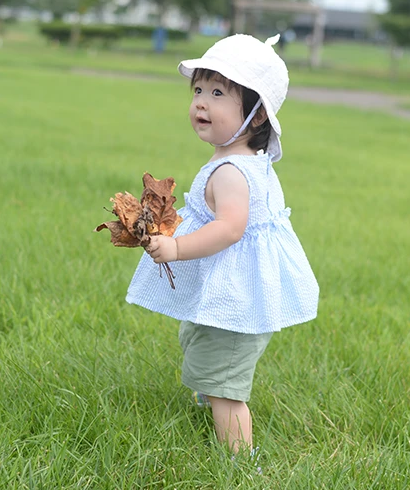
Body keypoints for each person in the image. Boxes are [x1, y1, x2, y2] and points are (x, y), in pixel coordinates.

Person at [126, 34, 319, 455]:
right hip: (235, 291)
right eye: (198, 90)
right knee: (197, 340)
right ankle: (208, 398)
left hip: (237, 303)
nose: (201, 102)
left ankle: (239, 463)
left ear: (256, 116)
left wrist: (176, 248)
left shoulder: (232, 171)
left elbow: (230, 229)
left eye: (218, 93)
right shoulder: (244, 160)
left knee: (226, 382)